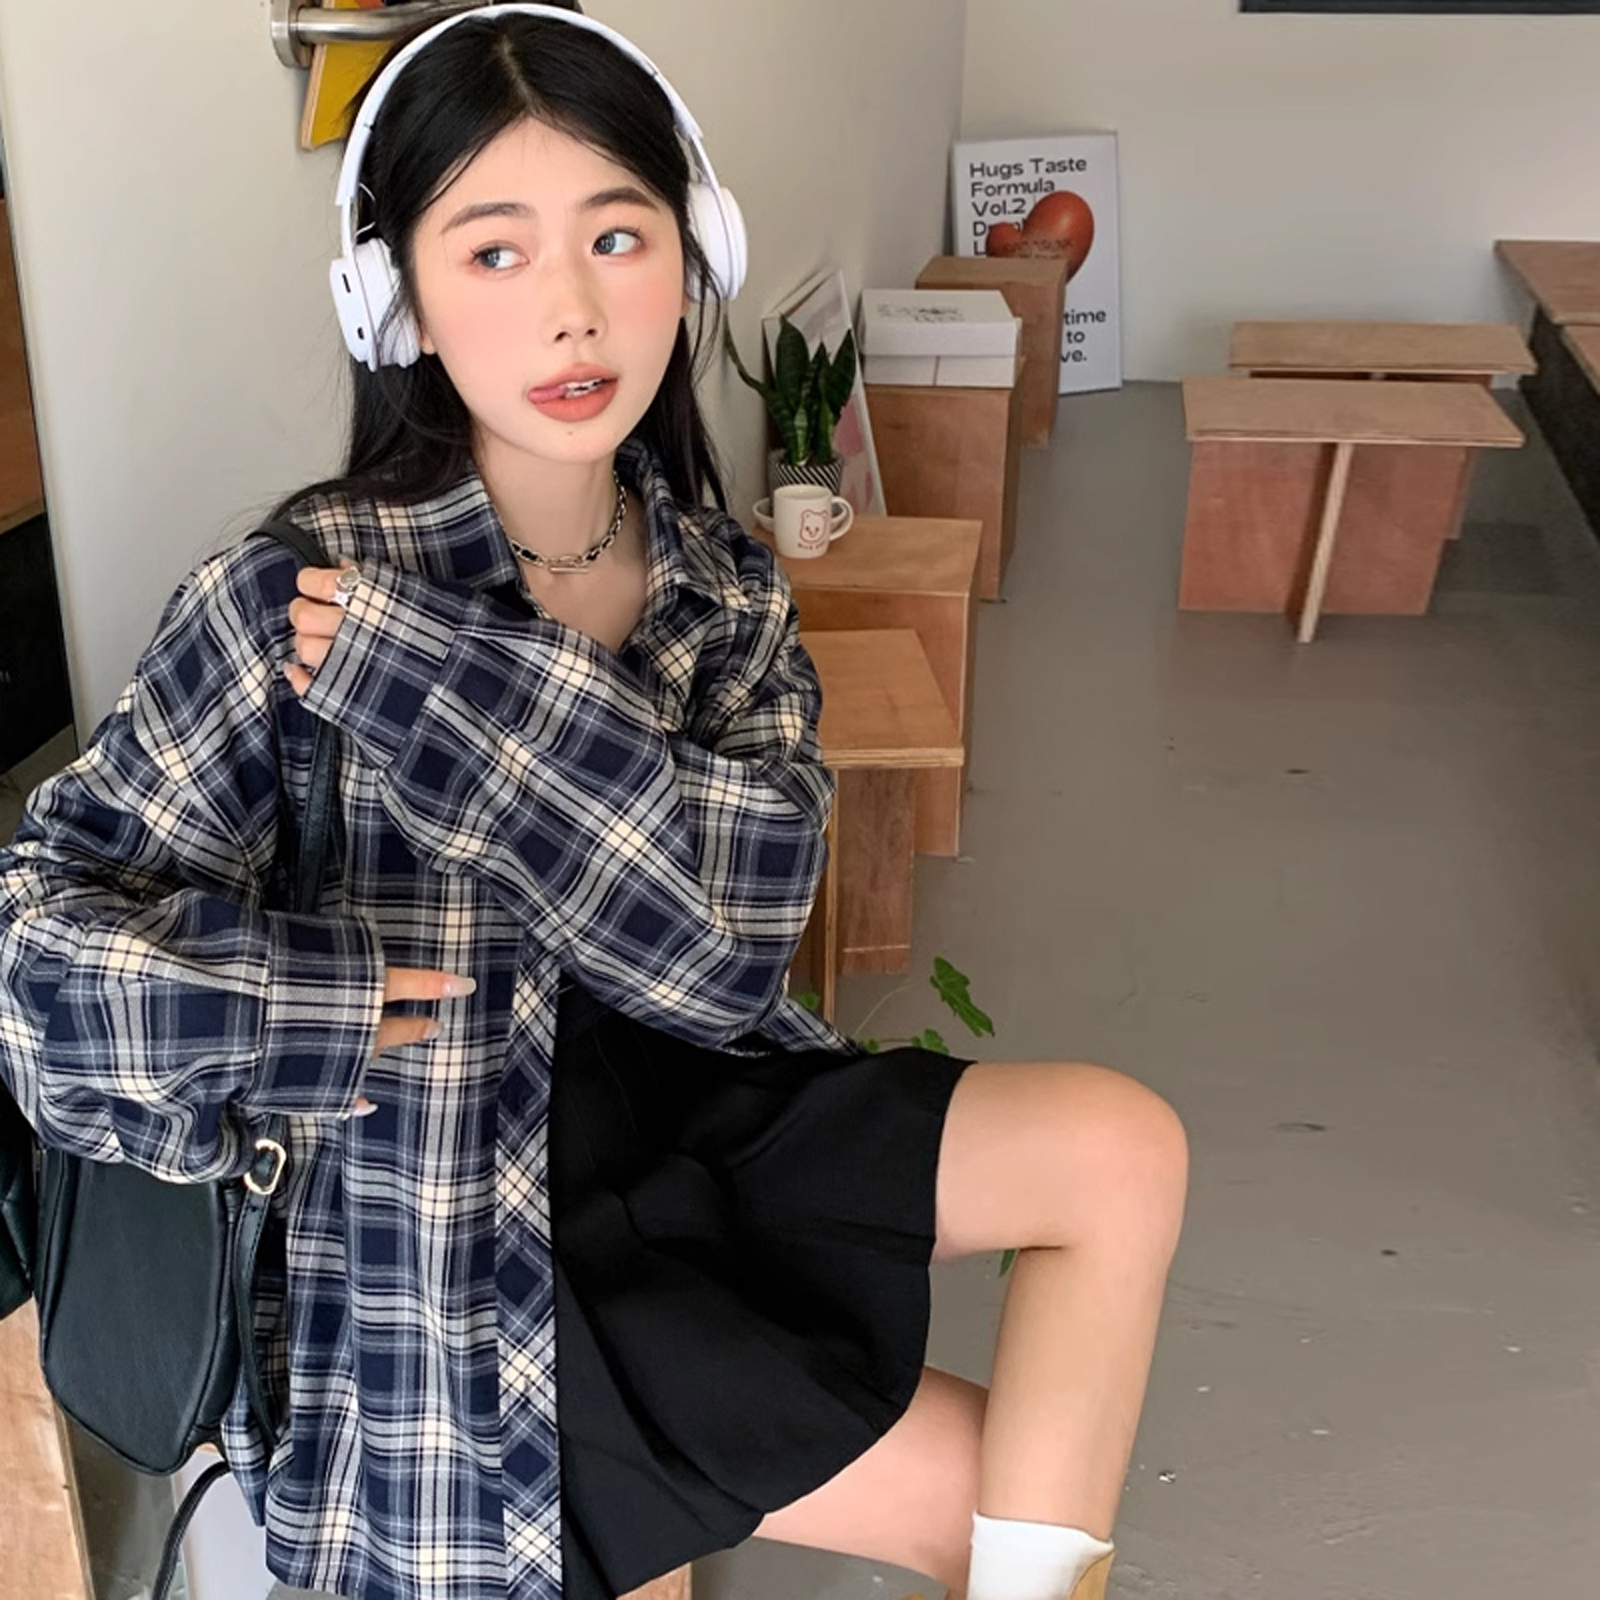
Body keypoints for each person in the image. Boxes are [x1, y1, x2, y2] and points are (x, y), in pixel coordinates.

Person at [0, 8, 1188, 1600]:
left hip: (702, 1145)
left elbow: (727, 954)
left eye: (618, 237)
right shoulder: (282, 602)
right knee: (985, 1500)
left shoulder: (719, 592)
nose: (571, 308)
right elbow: (42, 976)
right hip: (465, 1270)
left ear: (692, 259)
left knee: (1117, 1152)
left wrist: (458, 691)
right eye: (494, 252)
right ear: (395, 301)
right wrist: (305, 1004)